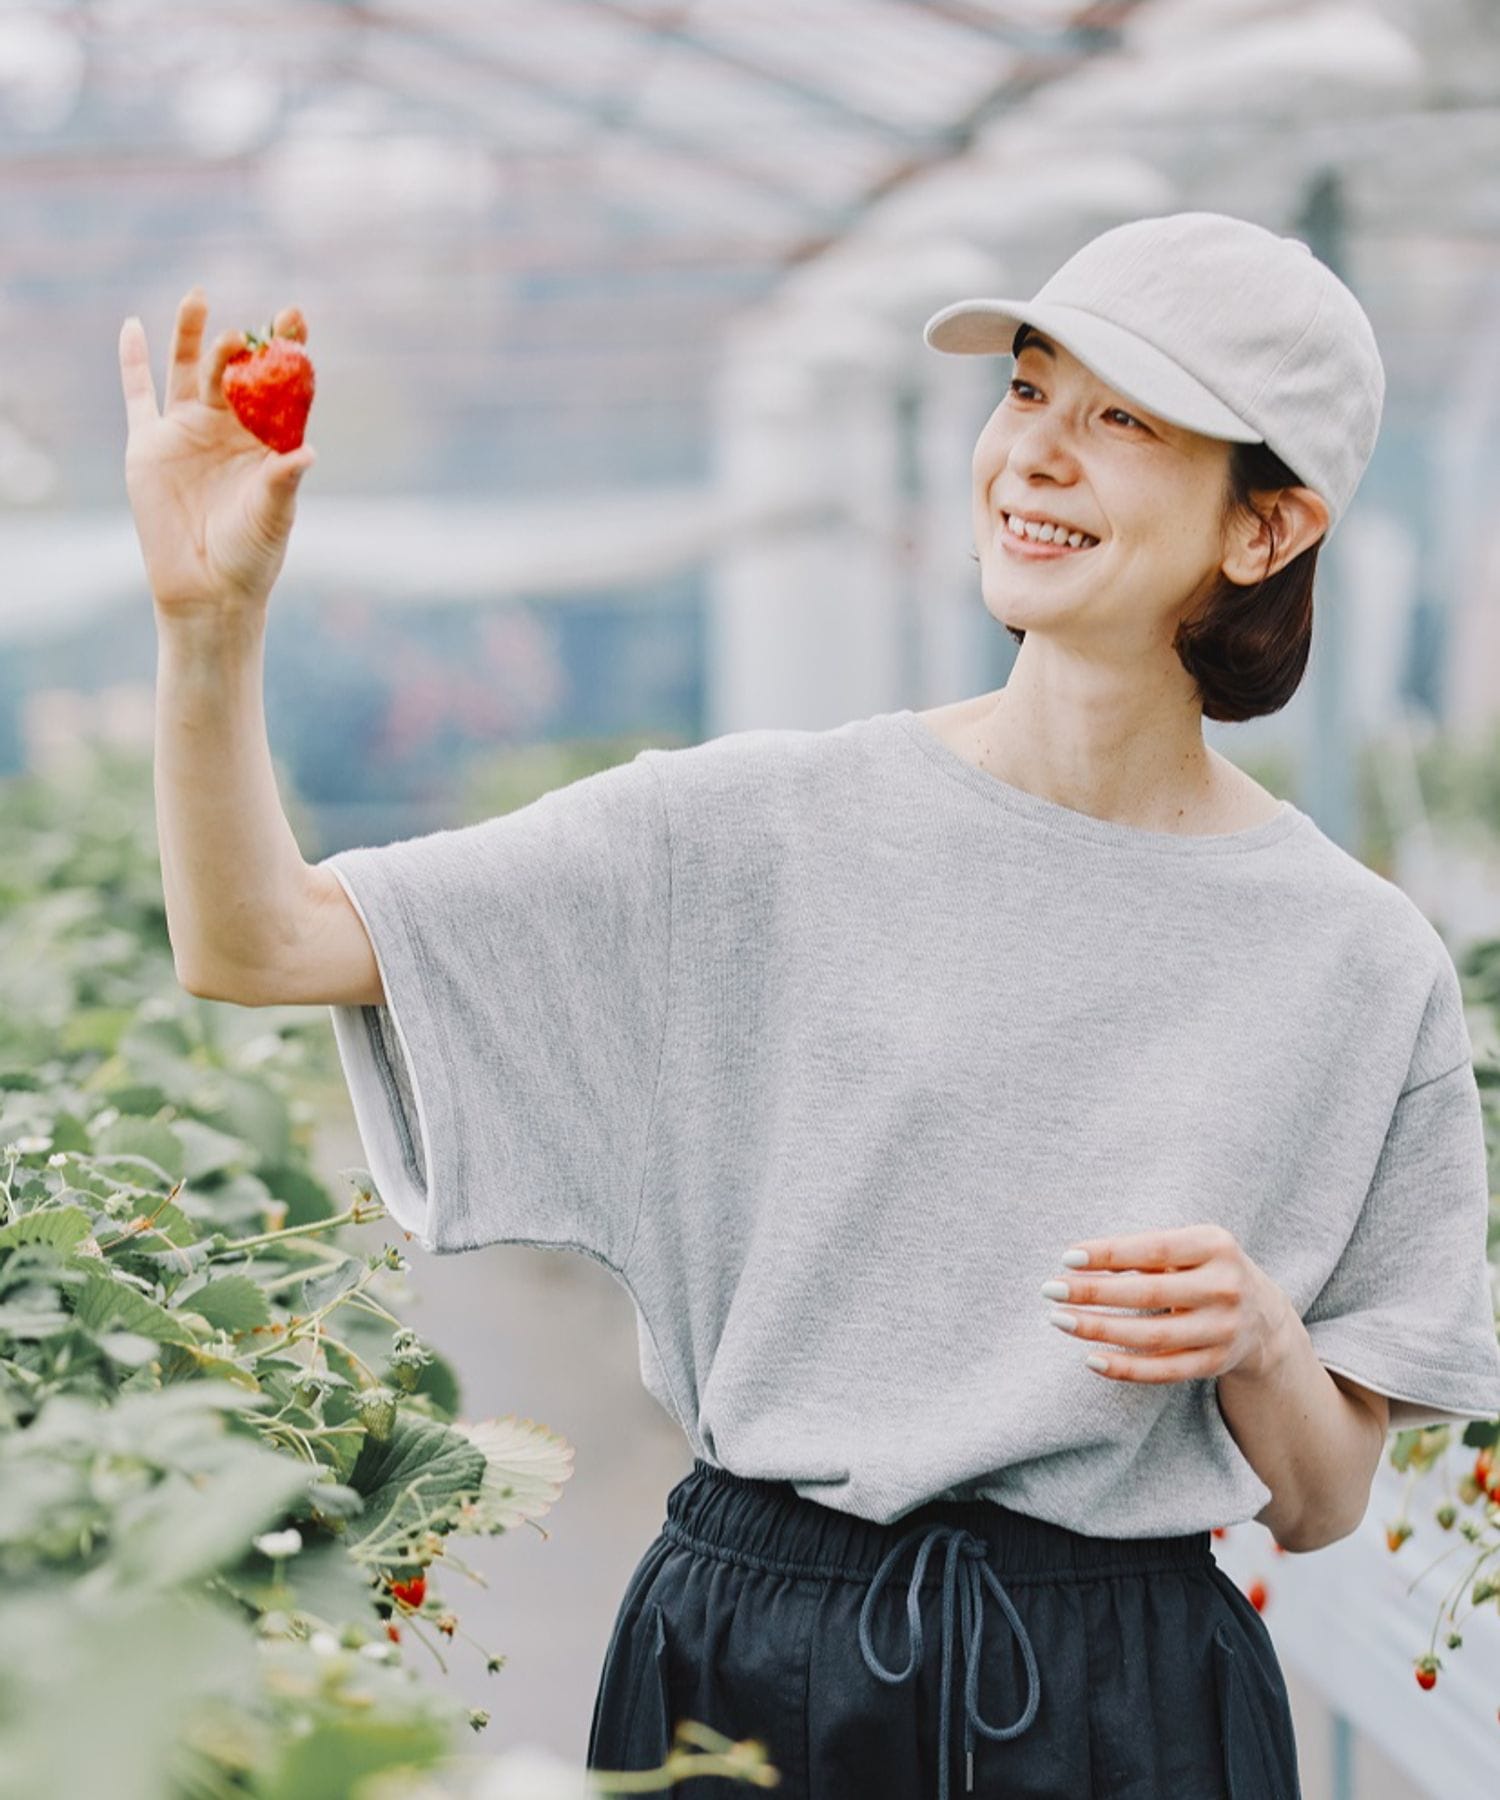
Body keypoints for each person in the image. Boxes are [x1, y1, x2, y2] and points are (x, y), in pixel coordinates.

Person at [120, 212, 1500, 1800]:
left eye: (1122, 420)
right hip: (758, 1664)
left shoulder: (1356, 961)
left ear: (1266, 531)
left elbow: (1323, 1499)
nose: (1035, 455)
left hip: (1134, 1702)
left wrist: (1261, 1336)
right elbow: (261, 943)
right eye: (1032, 391)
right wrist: (208, 639)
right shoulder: (755, 830)